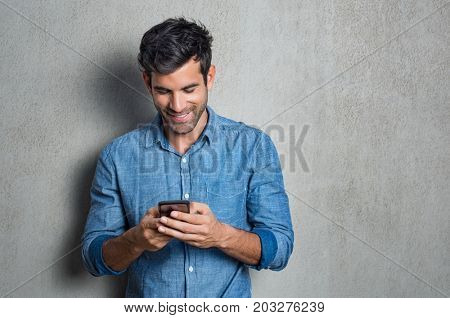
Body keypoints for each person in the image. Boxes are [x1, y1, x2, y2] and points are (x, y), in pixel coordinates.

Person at [81, 17, 294, 298]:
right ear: (147, 82)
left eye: (189, 89)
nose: (177, 105)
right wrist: (135, 241)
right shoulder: (116, 157)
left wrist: (220, 235)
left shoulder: (254, 147)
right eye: (164, 91)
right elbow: (94, 258)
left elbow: (280, 248)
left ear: (209, 77)